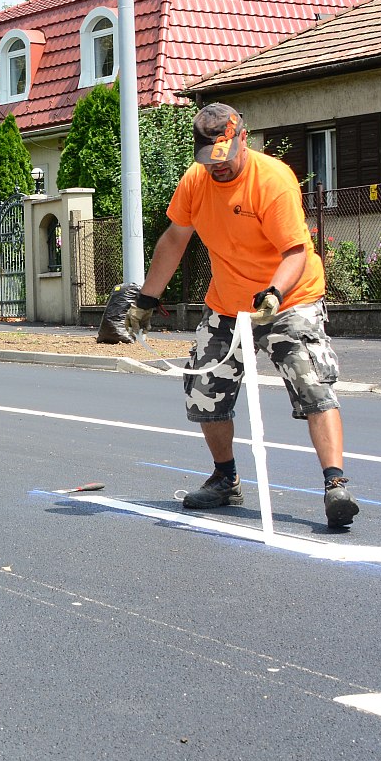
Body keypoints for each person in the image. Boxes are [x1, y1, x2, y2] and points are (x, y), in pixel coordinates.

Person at [125, 102, 359, 529]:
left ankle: (335, 485)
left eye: (225, 157)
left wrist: (274, 292)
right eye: (208, 160)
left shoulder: (272, 181)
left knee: (312, 386)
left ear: (242, 140)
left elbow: (295, 251)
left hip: (289, 299)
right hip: (227, 303)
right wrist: (146, 299)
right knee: (203, 389)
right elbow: (175, 239)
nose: (218, 167)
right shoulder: (196, 181)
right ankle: (225, 479)